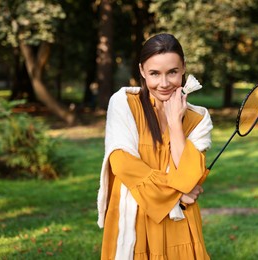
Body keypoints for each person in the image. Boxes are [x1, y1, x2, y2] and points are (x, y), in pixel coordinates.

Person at [97, 33, 213, 259]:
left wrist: (175, 124)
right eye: (154, 73)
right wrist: (177, 194)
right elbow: (122, 164)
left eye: (172, 72)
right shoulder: (123, 104)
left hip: (180, 225)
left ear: (183, 68)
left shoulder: (198, 119)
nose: (164, 83)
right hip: (134, 219)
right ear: (142, 71)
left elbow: (190, 178)